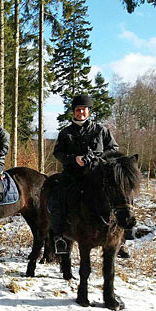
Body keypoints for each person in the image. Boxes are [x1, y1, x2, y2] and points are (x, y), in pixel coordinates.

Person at [51, 94, 119, 254]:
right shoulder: (65, 132)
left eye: (84, 110)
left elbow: (114, 149)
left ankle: (121, 239)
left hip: (97, 174)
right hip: (73, 174)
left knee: (119, 195)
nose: (81, 112)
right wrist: (74, 159)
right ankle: (59, 236)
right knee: (57, 197)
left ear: (89, 111)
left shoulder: (101, 130)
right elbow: (58, 152)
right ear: (73, 112)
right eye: (78, 110)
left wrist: (97, 157)